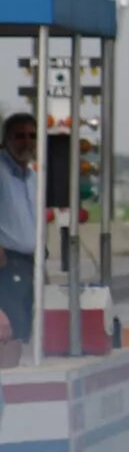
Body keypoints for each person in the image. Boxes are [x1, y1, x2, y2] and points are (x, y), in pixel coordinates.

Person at [0, 112, 38, 367]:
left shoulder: (32, 178)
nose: (27, 141)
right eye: (20, 136)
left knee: (21, 330)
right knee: (7, 333)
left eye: (32, 136)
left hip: (26, 264)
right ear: (6, 140)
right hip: (5, 264)